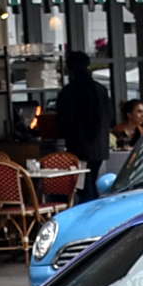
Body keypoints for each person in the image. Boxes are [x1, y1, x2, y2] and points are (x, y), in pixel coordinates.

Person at [54, 50, 113, 200]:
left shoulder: (68, 92)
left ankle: (90, 216)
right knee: (90, 182)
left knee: (84, 187)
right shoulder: (101, 90)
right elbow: (110, 117)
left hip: (78, 148)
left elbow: (64, 121)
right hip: (99, 147)